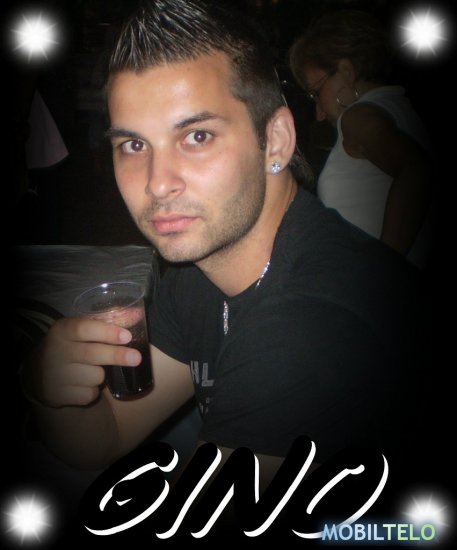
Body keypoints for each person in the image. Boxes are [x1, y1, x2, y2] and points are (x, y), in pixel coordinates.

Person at [21, 0, 426, 487]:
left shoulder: (310, 330)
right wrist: (51, 391)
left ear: (276, 140)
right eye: (134, 145)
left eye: (197, 136)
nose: (157, 183)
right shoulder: (202, 270)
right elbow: (105, 437)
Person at [289, 9, 433, 268]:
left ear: (345, 72)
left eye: (316, 92)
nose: (319, 113)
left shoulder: (357, 117)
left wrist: (386, 264)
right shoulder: (400, 107)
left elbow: (416, 168)